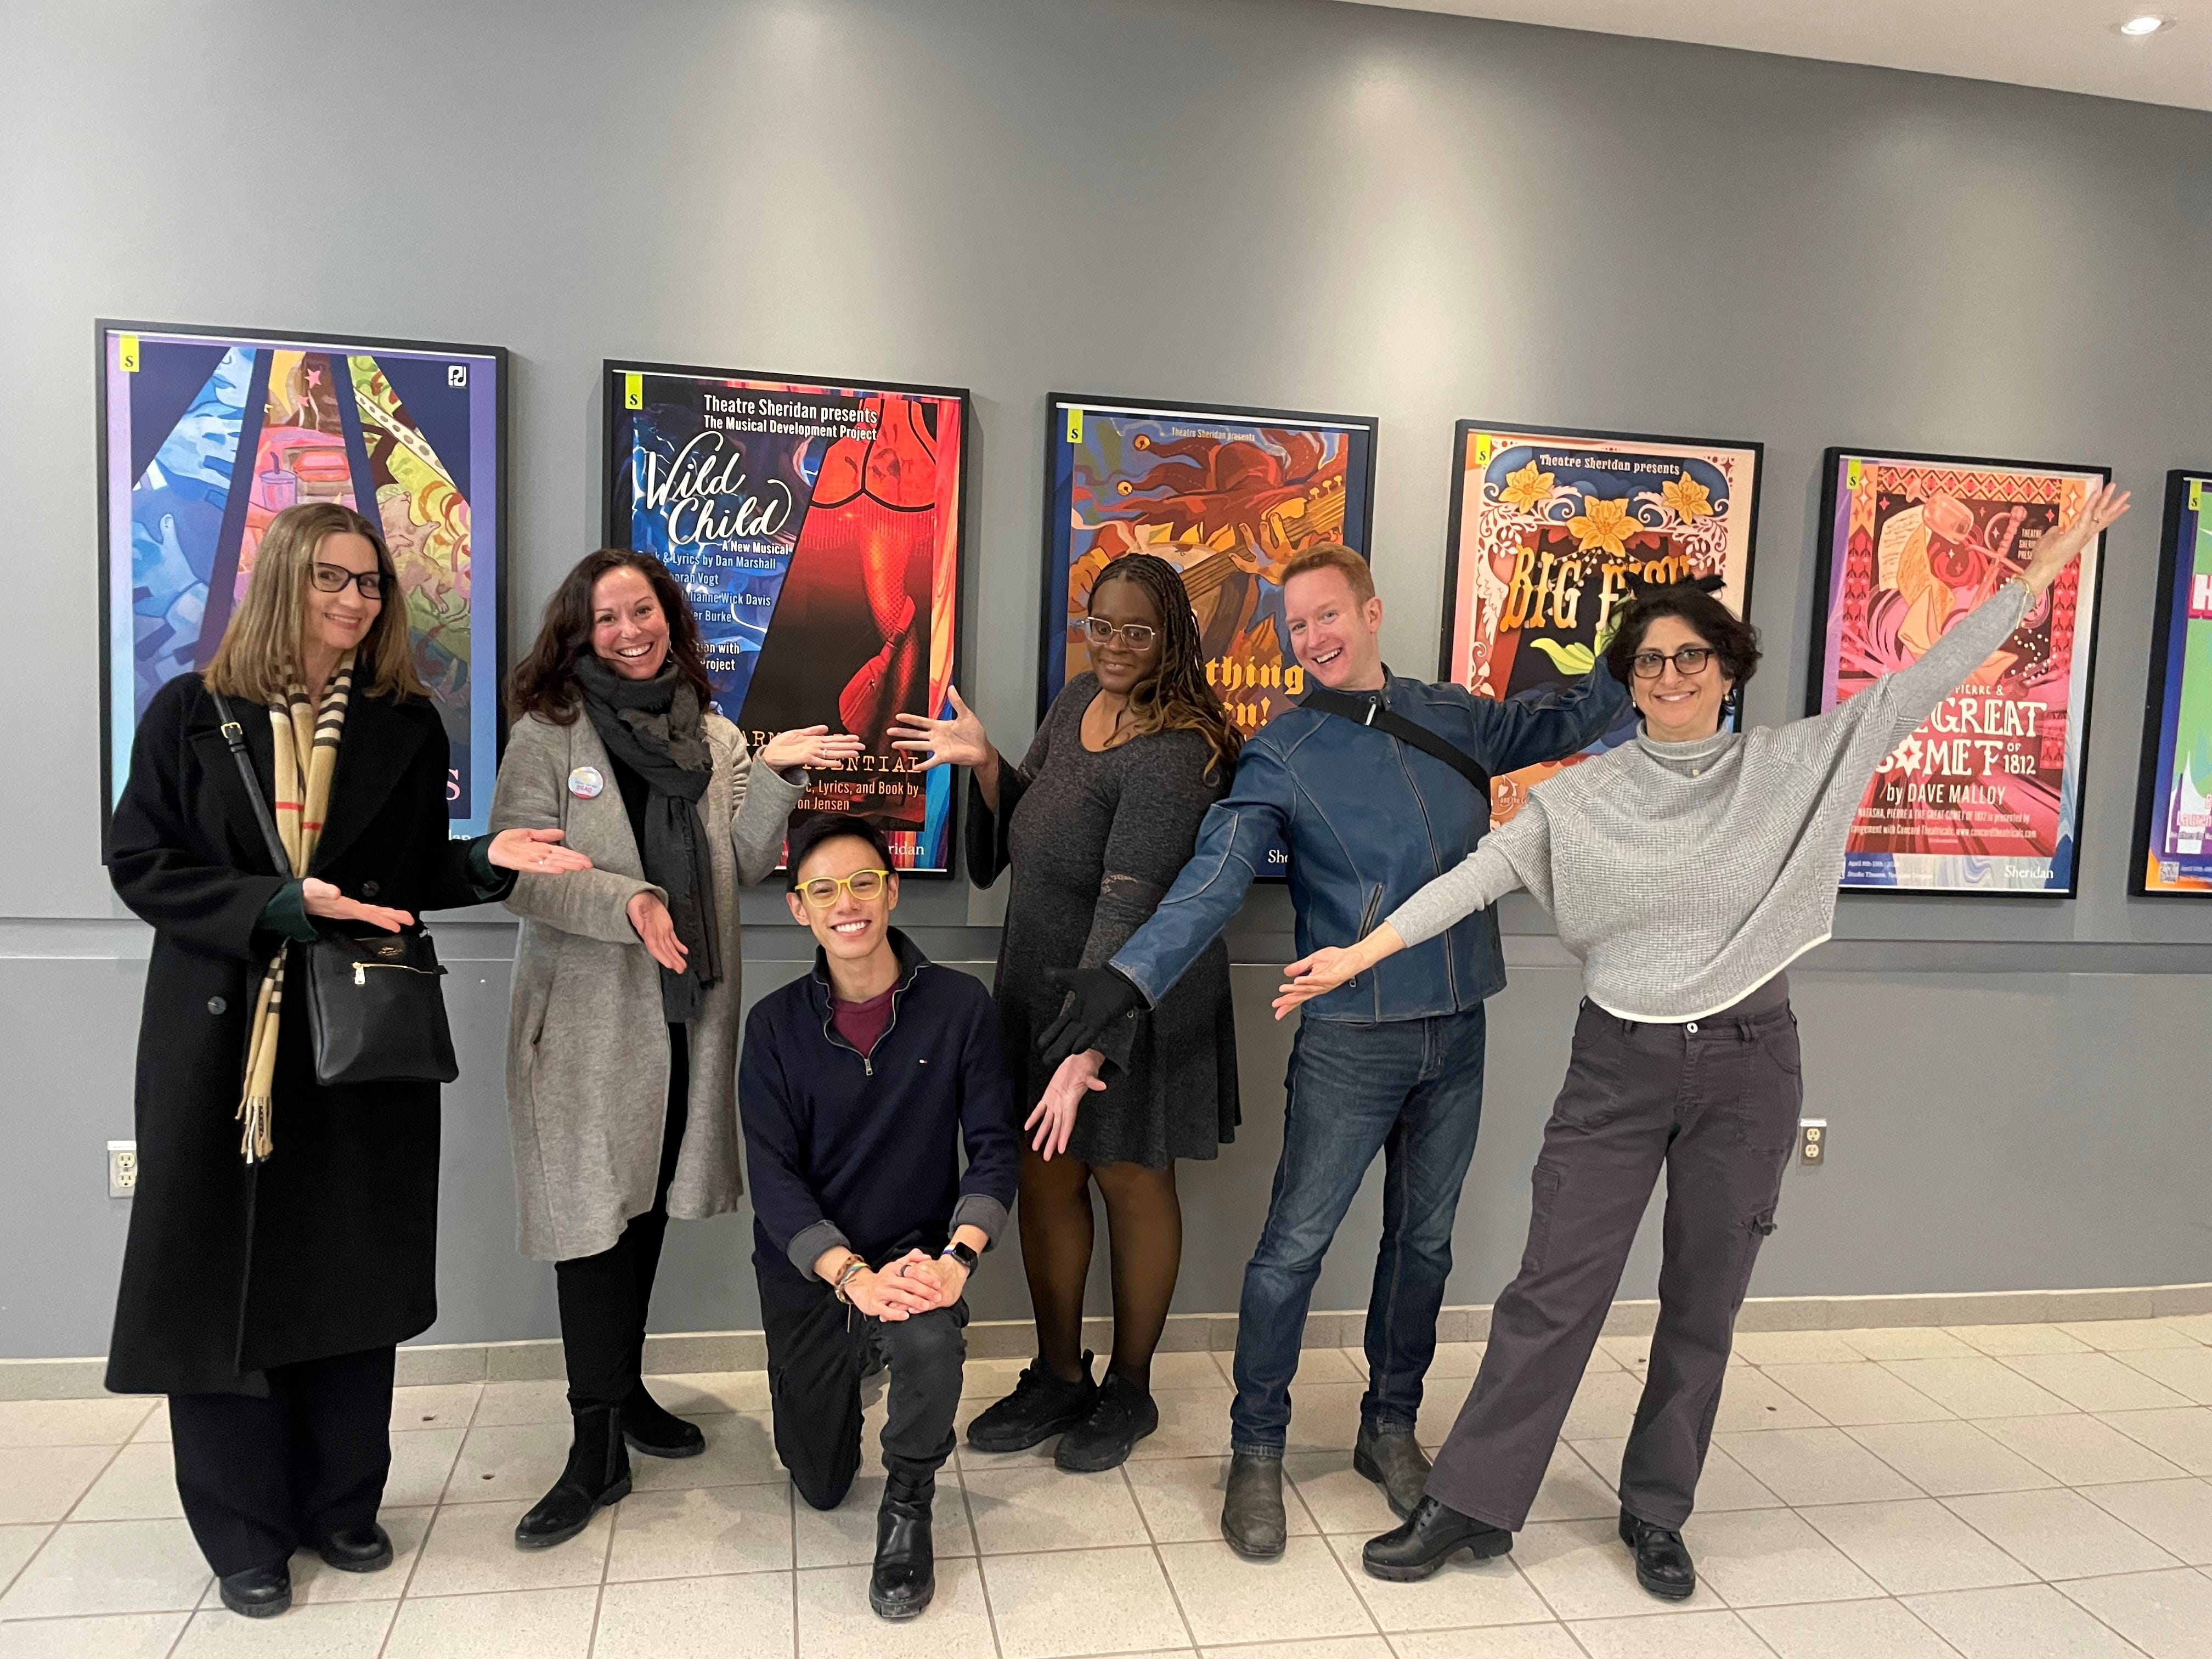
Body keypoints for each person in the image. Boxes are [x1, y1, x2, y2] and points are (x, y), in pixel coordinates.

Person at [1273, 486, 2131, 1597]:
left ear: (1727, 670)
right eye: (1649, 664)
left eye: (1692, 659)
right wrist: (1360, 951)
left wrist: (2040, 570)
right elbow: (1475, 875)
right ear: (1625, 683)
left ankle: (1657, 1511)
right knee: (1551, 1293)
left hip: (1749, 1065)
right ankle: (1474, 1503)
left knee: (1703, 1299)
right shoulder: (1584, 801)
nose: (1670, 678)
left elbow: (1925, 678)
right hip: (1614, 1069)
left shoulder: (1789, 768)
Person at [1039, 541, 1629, 1558]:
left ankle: (1389, 1426)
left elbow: (1572, 717)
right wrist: (1126, 978)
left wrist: (1639, 643)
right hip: (1350, 1039)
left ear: (1372, 610)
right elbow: (1217, 875)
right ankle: (1256, 1449)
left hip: (1459, 1027)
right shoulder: (1282, 749)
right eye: (1296, 624)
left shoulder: (1454, 715)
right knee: (1292, 1254)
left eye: (1328, 616)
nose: (1313, 638)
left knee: (1426, 1245)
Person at [105, 501, 590, 1620]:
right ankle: (244, 1535)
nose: (357, 601)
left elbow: (407, 867)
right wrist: (276, 903)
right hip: (226, 1043)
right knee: (223, 1280)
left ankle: (341, 1502)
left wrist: (486, 862)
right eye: (336, 578)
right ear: (284, 578)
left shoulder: (401, 726)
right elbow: (138, 862)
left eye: (373, 585)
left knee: (350, 1268)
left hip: (357, 1038)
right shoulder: (193, 714)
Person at [490, 550, 861, 1550]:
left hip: (683, 1019)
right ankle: (591, 1444)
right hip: (582, 1023)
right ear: (579, 635)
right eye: (605, 618)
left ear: (670, 620)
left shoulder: (716, 738)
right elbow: (520, 874)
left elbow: (738, 865)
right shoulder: (546, 735)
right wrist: (631, 901)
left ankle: (626, 1398)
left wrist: (776, 777)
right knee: (589, 1225)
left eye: (641, 611)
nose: (627, 631)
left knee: (643, 1211)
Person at [888, 554, 1243, 1470]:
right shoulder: (1075, 700)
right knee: (1046, 1174)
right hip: (1043, 979)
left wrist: (1088, 1049)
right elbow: (1031, 821)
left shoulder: (1179, 749)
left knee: (1128, 1175)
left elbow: (1129, 905)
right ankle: (1057, 1373)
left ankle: (1129, 1389)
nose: (1117, 646)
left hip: (1131, 992)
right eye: (1102, 625)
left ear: (1174, 635)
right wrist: (986, 765)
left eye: (1139, 630)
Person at [738, 814, 1020, 1620]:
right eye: (823, 889)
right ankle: (848, 1358)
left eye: (864, 882)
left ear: (892, 892)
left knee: (929, 1334)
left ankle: (909, 1499)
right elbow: (776, 1183)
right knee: (819, 1485)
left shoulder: (960, 1007)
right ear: (800, 909)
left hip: (914, 1255)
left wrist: (956, 1260)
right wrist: (850, 1277)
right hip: (816, 1270)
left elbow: (996, 1151)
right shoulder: (774, 1027)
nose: (847, 903)